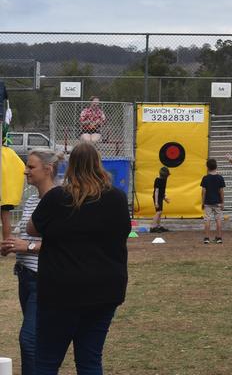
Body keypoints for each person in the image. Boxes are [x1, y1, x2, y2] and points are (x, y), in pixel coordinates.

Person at [28, 141, 130, 375]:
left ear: (71, 166)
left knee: (47, 361)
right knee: (90, 360)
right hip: (104, 291)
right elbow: (123, 232)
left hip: (60, 292)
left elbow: (32, 228)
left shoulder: (57, 198)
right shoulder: (116, 198)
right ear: (99, 165)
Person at [1, 147, 61, 375]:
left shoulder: (58, 200)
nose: (25, 171)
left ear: (48, 170)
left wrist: (27, 246)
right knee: (36, 338)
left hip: (43, 279)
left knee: (29, 339)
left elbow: (64, 242)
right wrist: (8, 245)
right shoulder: (32, 201)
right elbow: (21, 235)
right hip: (25, 277)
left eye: (31, 167)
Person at [200, 158, 226, 244]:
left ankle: (207, 238)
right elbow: (221, 191)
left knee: (207, 219)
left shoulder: (205, 178)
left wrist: (203, 202)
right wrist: (222, 202)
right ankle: (219, 238)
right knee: (218, 219)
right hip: (218, 202)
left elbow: (203, 192)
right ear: (216, 167)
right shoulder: (220, 178)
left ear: (207, 167)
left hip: (207, 203)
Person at [150, 166, 170, 233]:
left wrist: (165, 197)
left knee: (160, 212)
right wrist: (156, 202)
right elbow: (156, 191)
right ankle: (152, 227)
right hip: (156, 197)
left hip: (160, 197)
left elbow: (162, 190)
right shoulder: (157, 180)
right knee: (158, 212)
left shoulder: (164, 180)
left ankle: (158, 226)